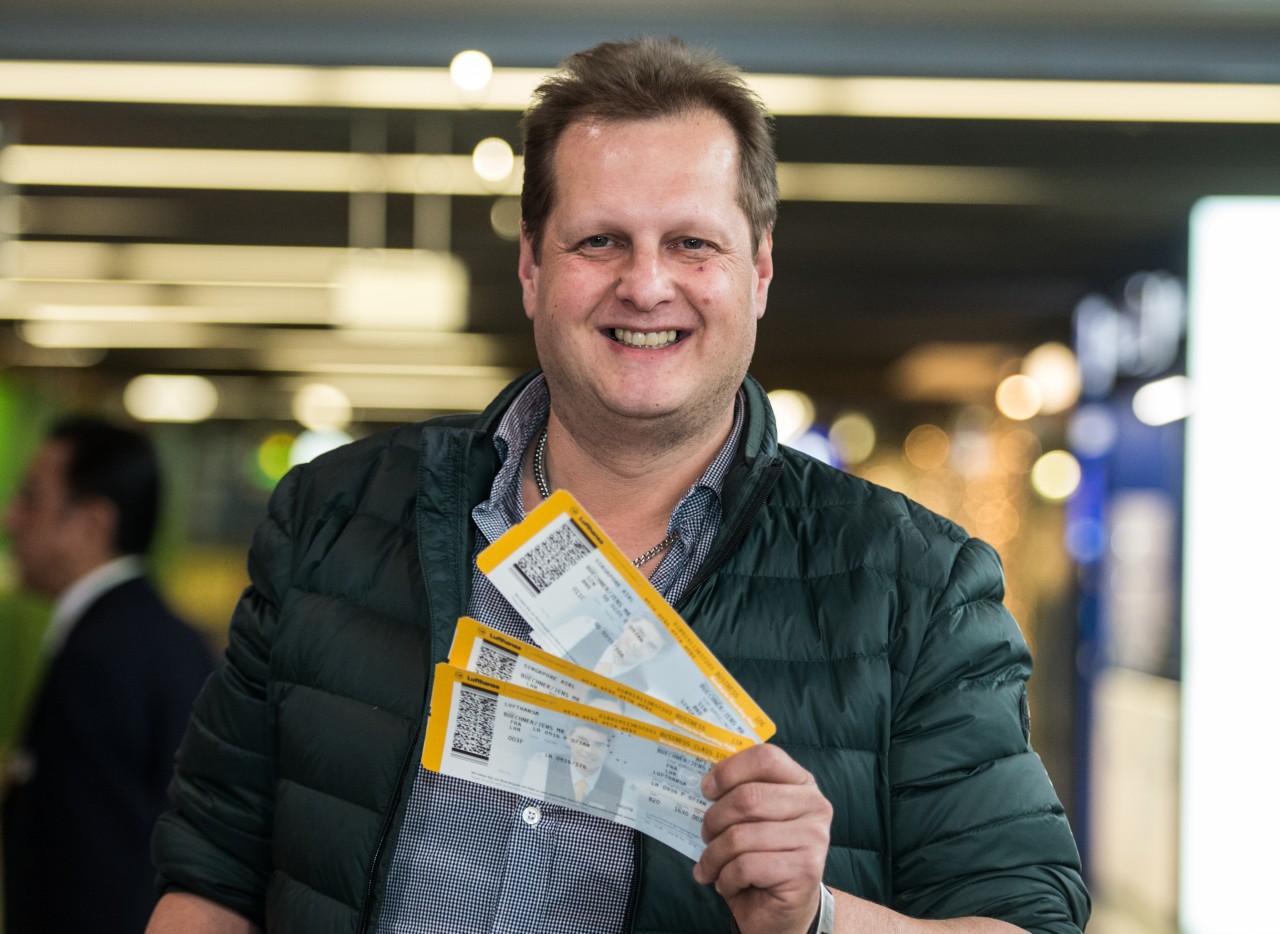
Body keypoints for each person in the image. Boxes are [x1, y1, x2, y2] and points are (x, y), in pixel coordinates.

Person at [147, 36, 1089, 934]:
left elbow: (1026, 916)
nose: (645, 285)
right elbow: (210, 877)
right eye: (600, 241)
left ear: (758, 271)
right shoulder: (334, 520)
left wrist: (818, 916)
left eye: (692, 244)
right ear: (530, 266)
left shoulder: (915, 588)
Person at [2, 417, 214, 934]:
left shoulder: (97, 656)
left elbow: (89, 865)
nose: (11, 518)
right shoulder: (168, 637)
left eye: (31, 499)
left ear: (93, 524)